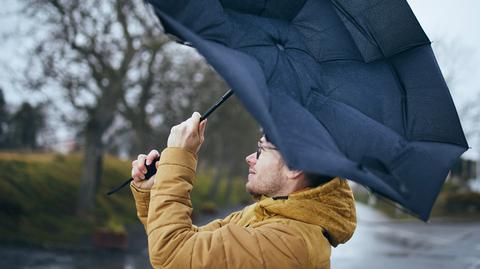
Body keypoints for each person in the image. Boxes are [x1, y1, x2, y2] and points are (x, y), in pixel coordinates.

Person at [130, 112, 356, 269]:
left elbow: (172, 254)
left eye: (261, 150)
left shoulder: (290, 244)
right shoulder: (267, 214)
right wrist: (152, 193)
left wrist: (179, 156)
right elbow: (187, 246)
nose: (250, 158)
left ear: (294, 167)